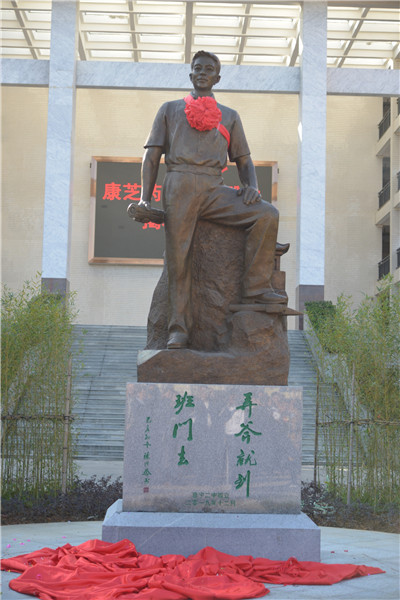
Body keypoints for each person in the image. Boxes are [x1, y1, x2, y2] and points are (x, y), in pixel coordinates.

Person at [138, 51, 286, 350]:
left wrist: (252, 188)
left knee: (267, 214)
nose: (203, 73)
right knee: (179, 260)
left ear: (217, 78)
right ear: (190, 74)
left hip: (214, 187)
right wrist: (144, 199)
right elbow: (151, 157)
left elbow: (244, 160)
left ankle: (256, 287)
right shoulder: (169, 109)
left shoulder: (229, 116)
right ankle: (178, 329)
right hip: (179, 184)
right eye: (198, 68)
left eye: (209, 69)